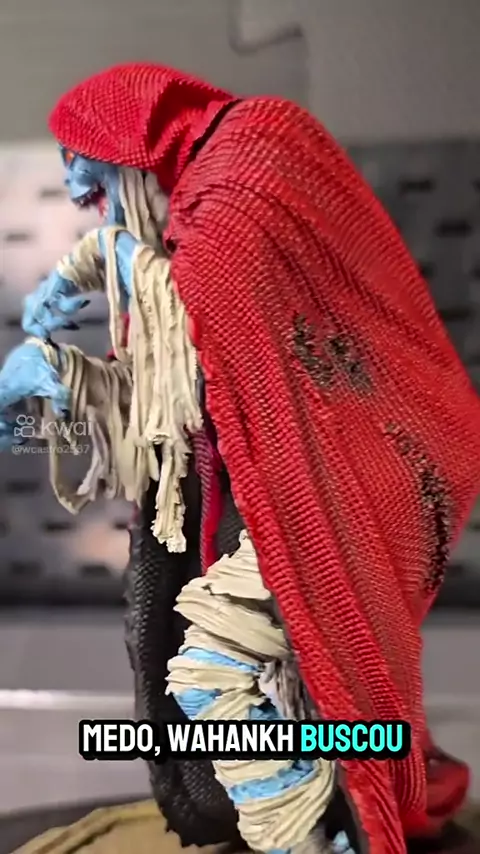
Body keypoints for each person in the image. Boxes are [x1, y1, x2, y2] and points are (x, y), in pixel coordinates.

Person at [1, 62, 480, 854]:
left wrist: (103, 261)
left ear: (127, 144)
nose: (81, 192)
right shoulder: (189, 226)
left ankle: (301, 838)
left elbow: (214, 305)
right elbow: (184, 393)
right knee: (290, 684)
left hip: (353, 476)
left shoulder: (244, 168)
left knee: (217, 673)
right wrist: (64, 376)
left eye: (84, 169)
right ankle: (320, 820)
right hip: (284, 493)